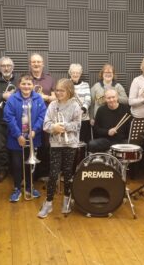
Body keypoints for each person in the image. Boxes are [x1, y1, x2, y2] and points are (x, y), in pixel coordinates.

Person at [38, 78, 82, 218]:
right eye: (57, 90)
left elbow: (78, 125)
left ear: (69, 91)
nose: (58, 93)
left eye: (62, 90)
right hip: (56, 144)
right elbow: (45, 125)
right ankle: (49, 202)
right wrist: (53, 127)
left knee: (68, 173)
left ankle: (67, 200)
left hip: (70, 144)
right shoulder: (52, 105)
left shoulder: (75, 106)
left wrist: (63, 126)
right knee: (53, 173)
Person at [3, 75, 46, 202]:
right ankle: (17, 188)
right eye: (24, 84)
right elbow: (8, 117)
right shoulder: (12, 99)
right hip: (16, 138)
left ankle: (29, 187)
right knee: (17, 164)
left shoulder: (38, 98)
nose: (26, 86)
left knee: (31, 164)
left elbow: (43, 116)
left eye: (29, 84)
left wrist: (34, 130)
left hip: (33, 137)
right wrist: (18, 135)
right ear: (19, 85)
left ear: (33, 85)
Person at [0, 56, 19, 183]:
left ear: (13, 67)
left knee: (16, 145)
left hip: (15, 118)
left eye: (9, 65)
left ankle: (16, 171)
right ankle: (3, 170)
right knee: (0, 146)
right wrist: (3, 95)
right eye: (3, 66)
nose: (6, 68)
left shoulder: (19, 80)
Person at [29, 53, 56, 181]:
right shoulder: (26, 78)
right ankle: (31, 175)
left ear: (43, 64)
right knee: (31, 144)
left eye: (38, 62)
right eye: (34, 62)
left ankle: (44, 173)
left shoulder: (49, 79)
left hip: (46, 116)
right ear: (30, 64)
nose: (36, 64)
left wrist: (44, 97)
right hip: (29, 116)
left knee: (45, 145)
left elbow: (55, 98)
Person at [68, 63, 92, 143]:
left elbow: (88, 99)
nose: (75, 74)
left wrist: (83, 109)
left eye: (77, 73)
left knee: (84, 142)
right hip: (70, 118)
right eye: (73, 72)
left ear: (80, 74)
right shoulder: (66, 84)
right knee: (72, 141)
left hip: (84, 117)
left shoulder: (85, 85)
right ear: (70, 73)